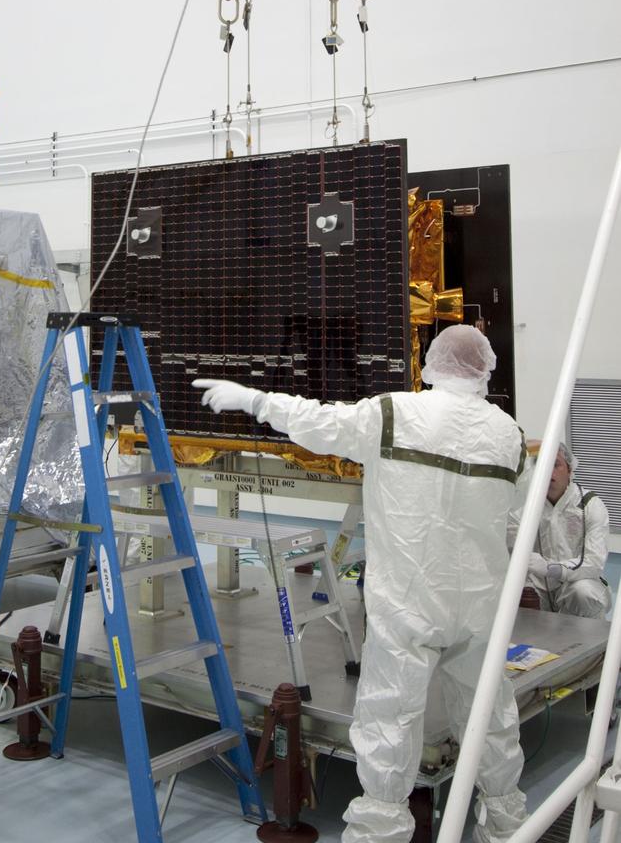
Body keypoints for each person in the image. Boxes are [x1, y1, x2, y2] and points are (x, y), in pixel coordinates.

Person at [194, 324, 528, 843]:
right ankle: (507, 824)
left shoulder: (395, 414)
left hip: (409, 602)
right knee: (490, 715)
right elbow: (514, 519)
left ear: (431, 364)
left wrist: (255, 399)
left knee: (390, 717)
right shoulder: (509, 434)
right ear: (485, 368)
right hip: (482, 606)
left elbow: (318, 421)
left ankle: (382, 829)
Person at [515, 442, 611, 618]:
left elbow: (593, 562)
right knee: (518, 594)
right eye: (542, 465)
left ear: (569, 469)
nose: (549, 472)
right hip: (539, 587)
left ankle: (594, 642)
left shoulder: (589, 504)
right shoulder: (525, 507)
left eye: (556, 464)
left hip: (578, 584)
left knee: (583, 592)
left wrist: (552, 568)